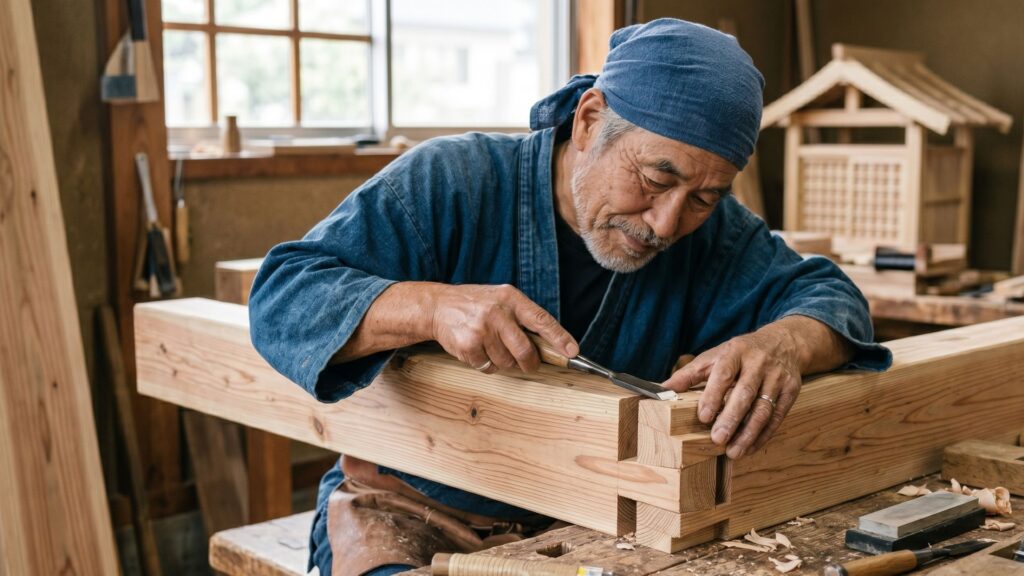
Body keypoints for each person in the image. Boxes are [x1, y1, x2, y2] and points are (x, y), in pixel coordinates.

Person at [249, 18, 891, 576]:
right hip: (410, 509)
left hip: (592, 523)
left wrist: (785, 341)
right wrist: (432, 306)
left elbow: (832, 298)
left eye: (701, 197)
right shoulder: (451, 181)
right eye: (653, 177)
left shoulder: (714, 238)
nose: (665, 224)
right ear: (589, 121)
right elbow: (282, 295)